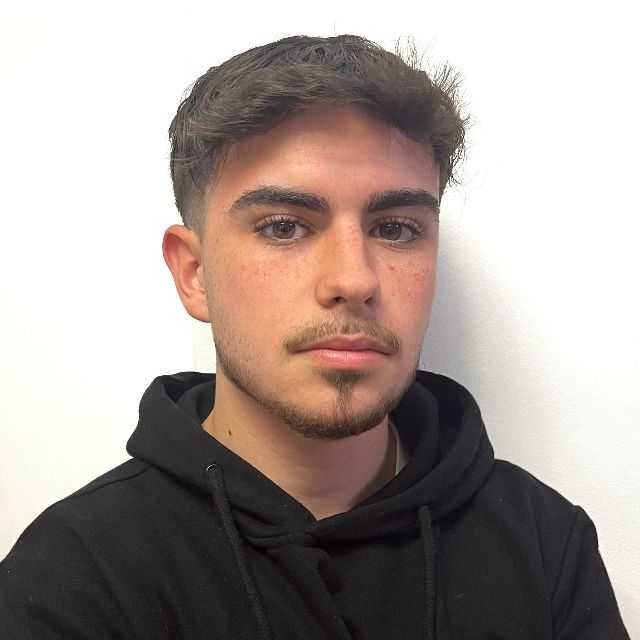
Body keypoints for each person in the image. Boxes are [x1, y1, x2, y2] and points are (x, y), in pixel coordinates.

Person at [0, 34, 629, 639]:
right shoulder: (72, 578)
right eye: (283, 227)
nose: (353, 279)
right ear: (193, 274)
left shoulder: (545, 542)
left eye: (396, 229)